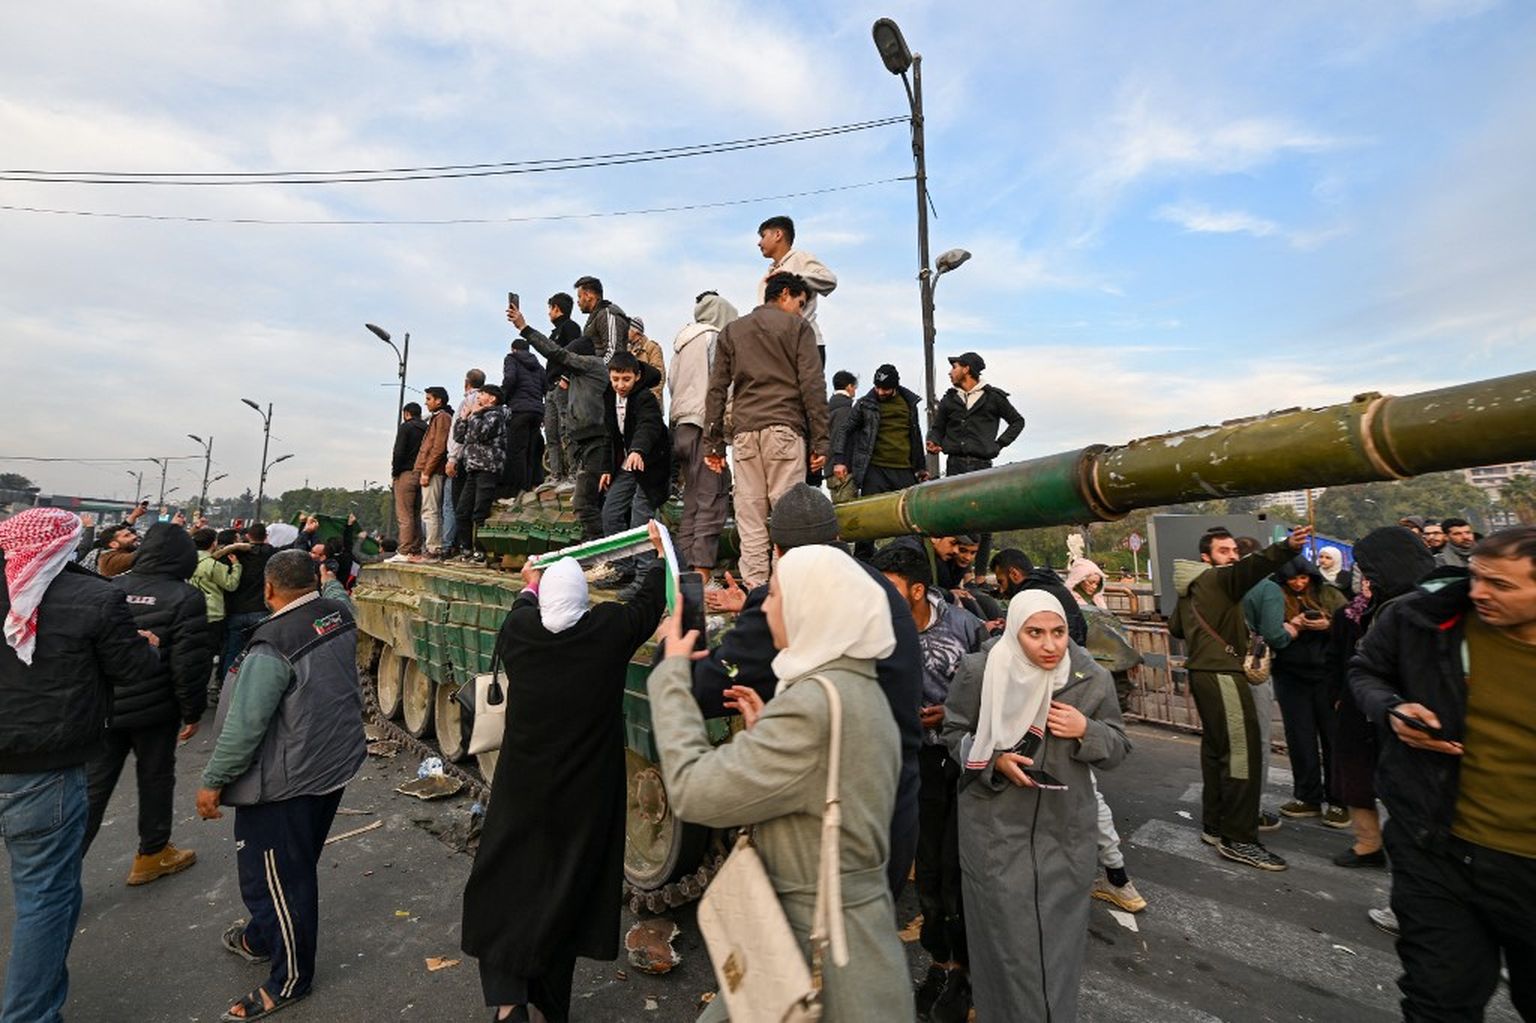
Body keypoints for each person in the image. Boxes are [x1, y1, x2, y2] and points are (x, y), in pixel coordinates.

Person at [650, 545, 913, 1021]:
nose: (764, 606)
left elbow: (692, 790)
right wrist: (768, 739)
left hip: (817, 962)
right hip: (835, 942)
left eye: (774, 595)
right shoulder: (853, 686)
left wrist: (672, 675)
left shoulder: (813, 707)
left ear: (808, 607)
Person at [462, 534, 667, 1023]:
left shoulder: (520, 632)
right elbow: (647, 603)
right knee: (564, 893)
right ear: (584, 601)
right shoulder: (607, 633)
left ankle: (509, 1002)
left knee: (505, 888)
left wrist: (532, 581)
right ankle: (550, 1007)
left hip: (521, 792)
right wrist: (660, 556)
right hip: (585, 797)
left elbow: (523, 602)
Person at [696, 485, 924, 897]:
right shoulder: (879, 589)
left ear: (777, 552)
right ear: (838, 537)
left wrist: (674, 645)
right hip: (892, 812)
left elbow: (704, 690)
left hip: (832, 836)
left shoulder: (787, 600)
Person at [1349, 525, 1536, 1020]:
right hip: (1435, 850)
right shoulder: (1423, 617)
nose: (1479, 593)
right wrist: (1393, 708)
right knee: (1438, 999)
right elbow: (1365, 671)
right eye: (1477, 577)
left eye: (1501, 585)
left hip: (1526, 864)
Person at [0, 508, 160, 1023]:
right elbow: (132, 670)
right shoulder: (95, 597)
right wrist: (147, 647)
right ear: (68, 546)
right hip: (44, 770)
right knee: (46, 899)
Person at [942, 589, 1132, 1022]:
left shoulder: (1090, 678)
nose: (1050, 645)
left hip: (1065, 835)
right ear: (1014, 631)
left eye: (1058, 632)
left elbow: (1118, 748)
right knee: (1007, 952)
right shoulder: (982, 671)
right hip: (995, 835)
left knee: (1056, 956)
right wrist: (994, 760)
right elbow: (953, 734)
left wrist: (1087, 730)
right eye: (1035, 633)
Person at [197, 550, 367, 1022]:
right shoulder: (336, 613)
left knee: (273, 880)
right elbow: (337, 593)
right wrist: (329, 579)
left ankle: (289, 979)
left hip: (285, 783)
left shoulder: (273, 644)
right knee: (292, 866)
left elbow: (244, 727)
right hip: (330, 766)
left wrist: (213, 781)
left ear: (268, 589)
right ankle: (259, 938)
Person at [871, 544, 986, 1022]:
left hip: (963, 763)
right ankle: (940, 963)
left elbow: (995, 692)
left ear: (918, 590)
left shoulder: (965, 627)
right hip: (912, 764)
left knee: (960, 870)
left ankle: (967, 973)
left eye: (891, 588)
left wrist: (954, 714)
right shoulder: (875, 628)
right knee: (930, 872)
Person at [1169, 525, 1311, 870]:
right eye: (1224, 551)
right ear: (1206, 557)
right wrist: (1287, 547)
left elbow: (1176, 628)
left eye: (1235, 550)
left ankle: (1215, 826)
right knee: (1242, 756)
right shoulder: (1221, 579)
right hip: (1223, 675)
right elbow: (1256, 565)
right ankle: (1240, 839)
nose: (1233, 556)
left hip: (1203, 671)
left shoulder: (1191, 584)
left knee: (1217, 753)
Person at [86, 522, 211, 883]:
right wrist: (192, 710)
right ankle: (152, 854)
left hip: (106, 705)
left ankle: (61, 863)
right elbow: (188, 663)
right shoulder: (185, 597)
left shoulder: (111, 586)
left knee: (93, 785)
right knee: (156, 778)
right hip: (156, 710)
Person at [702, 271, 830, 586]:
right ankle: (784, 592)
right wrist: (821, 442)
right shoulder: (799, 328)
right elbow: (812, 386)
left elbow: (716, 389)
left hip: (745, 434)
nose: (800, 311)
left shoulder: (733, 331)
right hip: (785, 430)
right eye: (800, 303)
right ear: (785, 294)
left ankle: (755, 592)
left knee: (750, 519)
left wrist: (713, 444)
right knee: (789, 519)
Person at [1325, 527, 1434, 870]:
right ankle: (1368, 844)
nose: (1364, 579)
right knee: (1356, 774)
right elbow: (1351, 665)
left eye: (1368, 571)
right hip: (1365, 709)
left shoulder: (1423, 608)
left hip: (1412, 719)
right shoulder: (1356, 612)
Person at [1246, 557, 1349, 825]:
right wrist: (1293, 625)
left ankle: (1339, 802)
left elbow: (1352, 626)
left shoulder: (1330, 594)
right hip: (1290, 677)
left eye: (1304, 578)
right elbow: (1267, 631)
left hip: (1328, 677)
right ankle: (1307, 797)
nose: (1299, 583)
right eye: (1293, 578)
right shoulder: (1274, 596)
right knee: (1300, 739)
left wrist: (1329, 625)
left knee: (1335, 740)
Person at [512, 304, 615, 541]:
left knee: (584, 503)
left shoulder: (592, 365)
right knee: (587, 503)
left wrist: (524, 328)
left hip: (597, 444)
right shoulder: (579, 379)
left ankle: (599, 548)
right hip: (585, 443)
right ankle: (593, 544)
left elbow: (557, 354)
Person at [925, 352, 1025, 569]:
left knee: (983, 520)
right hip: (955, 464)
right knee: (954, 519)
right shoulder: (950, 399)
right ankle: (958, 573)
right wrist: (933, 440)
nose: (950, 372)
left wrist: (998, 444)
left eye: (954, 367)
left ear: (967, 369)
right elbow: (938, 428)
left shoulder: (993, 397)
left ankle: (979, 575)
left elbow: (1017, 421)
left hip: (981, 465)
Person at [670, 290, 738, 580]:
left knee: (693, 501)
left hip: (682, 426)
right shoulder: (714, 338)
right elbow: (720, 384)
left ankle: (685, 571)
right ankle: (702, 576)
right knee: (713, 498)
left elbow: (672, 383)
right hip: (704, 426)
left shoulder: (682, 341)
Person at [834, 364, 925, 560]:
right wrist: (839, 460)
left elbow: (915, 436)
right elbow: (845, 430)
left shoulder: (909, 403)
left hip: (903, 468)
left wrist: (921, 467)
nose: (880, 392)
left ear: (895, 387)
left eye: (885, 389)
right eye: (877, 387)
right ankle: (863, 562)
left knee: (910, 521)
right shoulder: (865, 404)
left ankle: (909, 561)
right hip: (875, 469)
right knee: (867, 522)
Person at [598, 351, 669, 596]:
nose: (620, 385)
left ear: (637, 377)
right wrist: (606, 469)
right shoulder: (609, 397)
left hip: (651, 463)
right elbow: (609, 436)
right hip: (628, 464)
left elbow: (649, 426)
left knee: (640, 517)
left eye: (626, 379)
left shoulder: (645, 398)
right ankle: (623, 567)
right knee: (611, 512)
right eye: (616, 379)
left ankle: (644, 576)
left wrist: (638, 450)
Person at [755, 214, 838, 361]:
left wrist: (794, 277)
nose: (759, 243)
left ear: (778, 234)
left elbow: (829, 280)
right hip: (778, 345)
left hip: (805, 341)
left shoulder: (800, 258)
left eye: (763, 236)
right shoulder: (767, 275)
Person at [452, 385, 511, 563]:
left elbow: (481, 433)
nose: (479, 397)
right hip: (472, 468)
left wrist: (476, 415)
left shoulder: (496, 415)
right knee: (462, 511)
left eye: (483, 394)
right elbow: (459, 437)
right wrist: (463, 418)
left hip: (488, 467)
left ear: (492, 398)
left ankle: (481, 551)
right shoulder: (476, 416)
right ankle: (466, 549)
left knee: (480, 511)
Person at [190, 526, 244, 685]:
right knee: (209, 653)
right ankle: (204, 684)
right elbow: (231, 584)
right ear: (213, 543)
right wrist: (236, 566)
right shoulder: (213, 565)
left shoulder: (187, 561)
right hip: (213, 614)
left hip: (191, 612)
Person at [222, 522, 275, 677]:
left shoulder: (235, 554)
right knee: (260, 653)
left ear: (247, 536)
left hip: (236, 610)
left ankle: (227, 683)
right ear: (266, 536)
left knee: (233, 651)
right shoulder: (270, 554)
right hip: (261, 610)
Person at [444, 369, 488, 556]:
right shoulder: (486, 402)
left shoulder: (468, 401)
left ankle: (463, 546)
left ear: (466, 382)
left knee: (459, 505)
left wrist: (452, 458)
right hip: (478, 460)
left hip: (464, 459)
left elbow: (458, 434)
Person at [542, 292, 583, 483]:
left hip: (564, 385)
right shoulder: (554, 333)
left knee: (567, 431)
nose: (549, 313)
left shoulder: (571, 327)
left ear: (557, 308)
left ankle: (574, 473)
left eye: (550, 308)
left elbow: (576, 355)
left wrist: (566, 377)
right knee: (551, 433)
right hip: (550, 388)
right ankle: (555, 474)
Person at [500, 338, 546, 498]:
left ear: (513, 349)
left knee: (516, 450)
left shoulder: (511, 359)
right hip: (537, 412)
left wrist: (502, 398)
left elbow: (510, 379)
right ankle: (529, 485)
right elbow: (546, 387)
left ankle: (515, 490)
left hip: (519, 410)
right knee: (531, 450)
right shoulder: (539, 366)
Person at [415, 386, 453, 558]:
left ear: (439, 400)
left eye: (429, 399)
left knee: (430, 510)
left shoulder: (442, 417)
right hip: (431, 469)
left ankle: (433, 547)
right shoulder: (437, 417)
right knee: (429, 510)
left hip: (434, 470)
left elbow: (438, 447)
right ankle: (432, 545)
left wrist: (427, 471)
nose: (426, 402)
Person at [390, 401, 428, 560]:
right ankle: (415, 547)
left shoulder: (406, 427)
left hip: (406, 473)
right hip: (423, 473)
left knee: (404, 514)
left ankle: (404, 550)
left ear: (406, 414)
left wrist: (395, 472)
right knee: (416, 513)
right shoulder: (426, 428)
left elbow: (399, 452)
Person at [572, 275, 631, 363]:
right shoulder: (595, 317)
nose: (578, 301)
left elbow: (613, 353)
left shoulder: (608, 314)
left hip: (604, 370)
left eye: (579, 296)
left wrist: (596, 370)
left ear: (588, 296)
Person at [826, 370, 858, 504]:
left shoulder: (828, 409)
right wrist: (841, 462)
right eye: (855, 387)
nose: (855, 391)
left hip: (829, 469)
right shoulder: (846, 410)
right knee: (849, 511)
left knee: (838, 510)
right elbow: (842, 436)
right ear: (849, 386)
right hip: (844, 469)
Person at [625, 316, 666, 402]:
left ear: (636, 332)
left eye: (627, 329)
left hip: (647, 402)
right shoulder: (626, 351)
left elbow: (659, 375)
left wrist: (652, 399)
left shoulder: (652, 348)